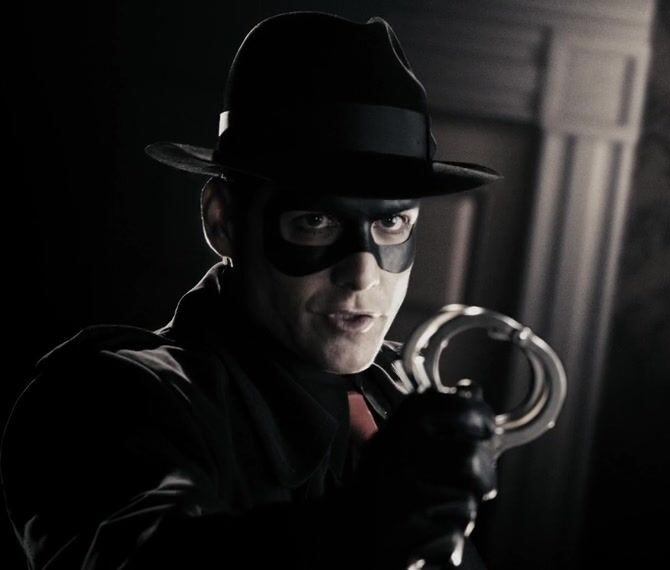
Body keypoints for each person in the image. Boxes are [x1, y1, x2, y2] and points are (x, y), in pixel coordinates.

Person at [1, 12, 504, 569]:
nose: (362, 274)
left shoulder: (403, 396)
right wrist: (358, 529)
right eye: (315, 221)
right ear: (223, 221)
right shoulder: (104, 399)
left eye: (391, 223)